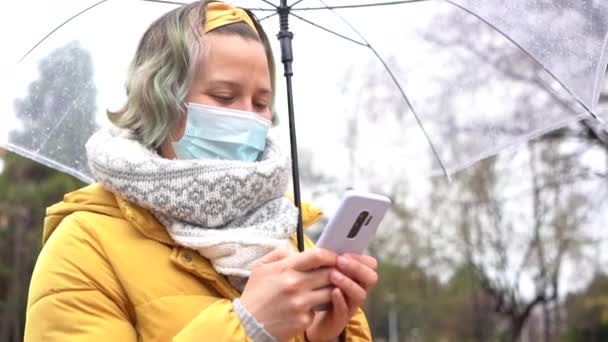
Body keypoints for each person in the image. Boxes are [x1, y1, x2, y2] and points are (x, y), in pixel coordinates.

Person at [24, 1, 378, 341]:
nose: (248, 118)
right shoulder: (85, 247)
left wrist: (327, 336)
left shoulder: (292, 238)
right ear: (161, 101)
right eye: (224, 97)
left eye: (261, 103)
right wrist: (248, 327)